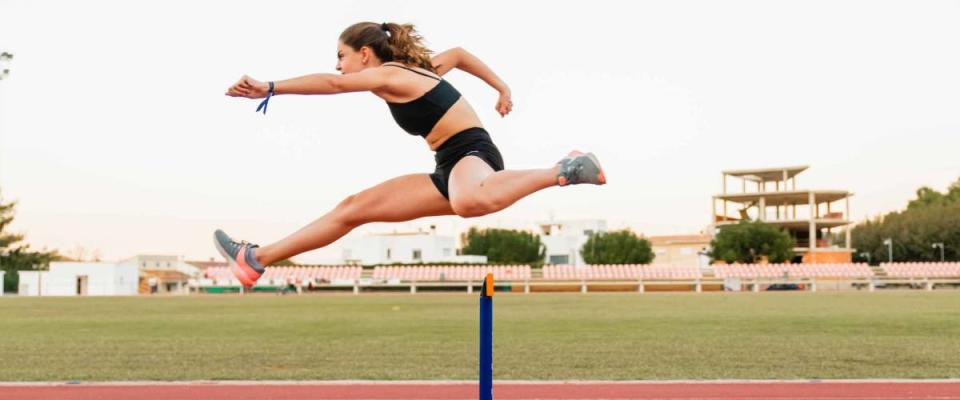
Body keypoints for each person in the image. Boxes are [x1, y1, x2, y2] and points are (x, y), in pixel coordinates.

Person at [215, 22, 605, 287]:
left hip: (472, 153)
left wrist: (270, 86)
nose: (338, 64)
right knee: (353, 208)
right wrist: (500, 87)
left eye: (342, 55)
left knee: (469, 200)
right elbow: (459, 54)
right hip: (446, 167)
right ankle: (255, 258)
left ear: (365, 54)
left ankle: (564, 167)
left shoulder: (392, 75)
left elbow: (333, 84)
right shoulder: (421, 70)